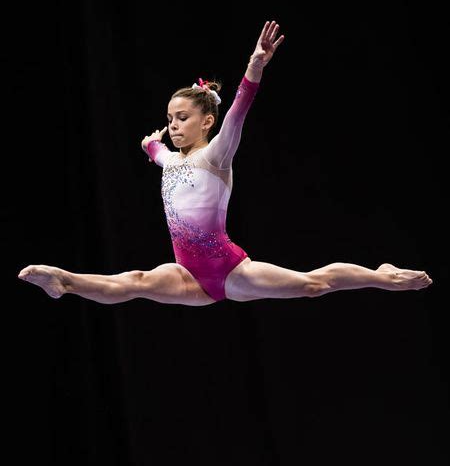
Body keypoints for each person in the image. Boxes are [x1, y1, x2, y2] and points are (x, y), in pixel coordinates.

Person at [18, 21, 432, 306]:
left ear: (207, 121)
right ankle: (64, 281)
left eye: (182, 119)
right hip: (188, 275)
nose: (174, 127)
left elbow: (240, 108)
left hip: (231, 270)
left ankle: (382, 274)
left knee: (313, 284)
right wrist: (150, 145)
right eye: (169, 120)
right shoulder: (170, 161)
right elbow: (159, 154)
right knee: (137, 283)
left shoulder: (216, 153)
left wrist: (255, 67)